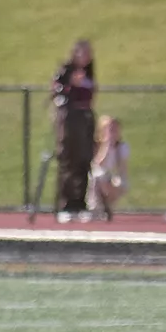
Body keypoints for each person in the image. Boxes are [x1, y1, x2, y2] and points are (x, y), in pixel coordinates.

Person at [52, 38, 97, 221]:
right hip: (70, 121)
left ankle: (80, 203)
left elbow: (90, 95)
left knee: (84, 160)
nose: (86, 56)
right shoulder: (66, 72)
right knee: (69, 161)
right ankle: (66, 204)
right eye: (83, 52)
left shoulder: (89, 73)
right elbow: (58, 94)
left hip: (85, 119)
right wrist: (71, 86)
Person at [89, 114, 128, 221]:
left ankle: (107, 207)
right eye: (109, 129)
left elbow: (122, 167)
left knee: (118, 183)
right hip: (98, 175)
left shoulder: (122, 147)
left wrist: (117, 176)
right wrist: (107, 145)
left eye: (115, 129)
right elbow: (98, 163)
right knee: (99, 177)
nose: (112, 133)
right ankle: (95, 208)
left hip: (113, 175)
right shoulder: (97, 145)